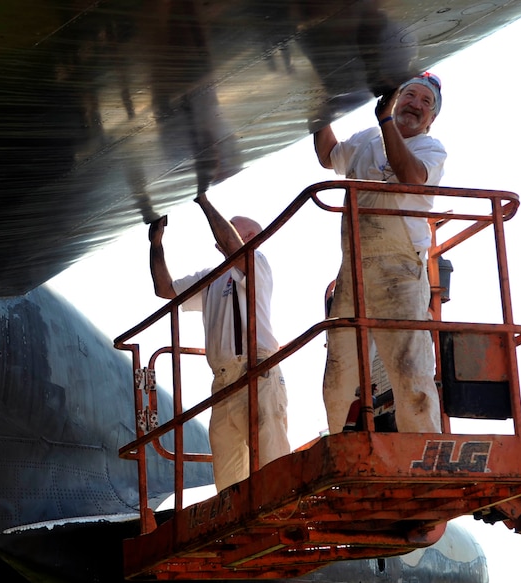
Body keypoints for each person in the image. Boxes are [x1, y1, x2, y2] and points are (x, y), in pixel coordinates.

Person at [312, 72, 447, 435]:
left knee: (409, 368)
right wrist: (317, 108)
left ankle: (423, 449)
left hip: (399, 271)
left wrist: (385, 120)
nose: (416, 105)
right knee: (339, 368)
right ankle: (338, 444)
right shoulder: (367, 140)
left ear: (432, 119)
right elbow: (328, 156)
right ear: (396, 98)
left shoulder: (429, 149)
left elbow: (410, 178)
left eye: (426, 102)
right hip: (354, 269)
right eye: (410, 95)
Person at [148, 193, 291, 491]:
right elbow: (165, 289)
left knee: (274, 471)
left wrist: (202, 200)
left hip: (256, 372)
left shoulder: (257, 263)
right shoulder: (213, 279)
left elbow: (231, 245)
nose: (224, 235)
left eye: (234, 229)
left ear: (251, 237)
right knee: (229, 484)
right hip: (223, 384)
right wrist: (156, 244)